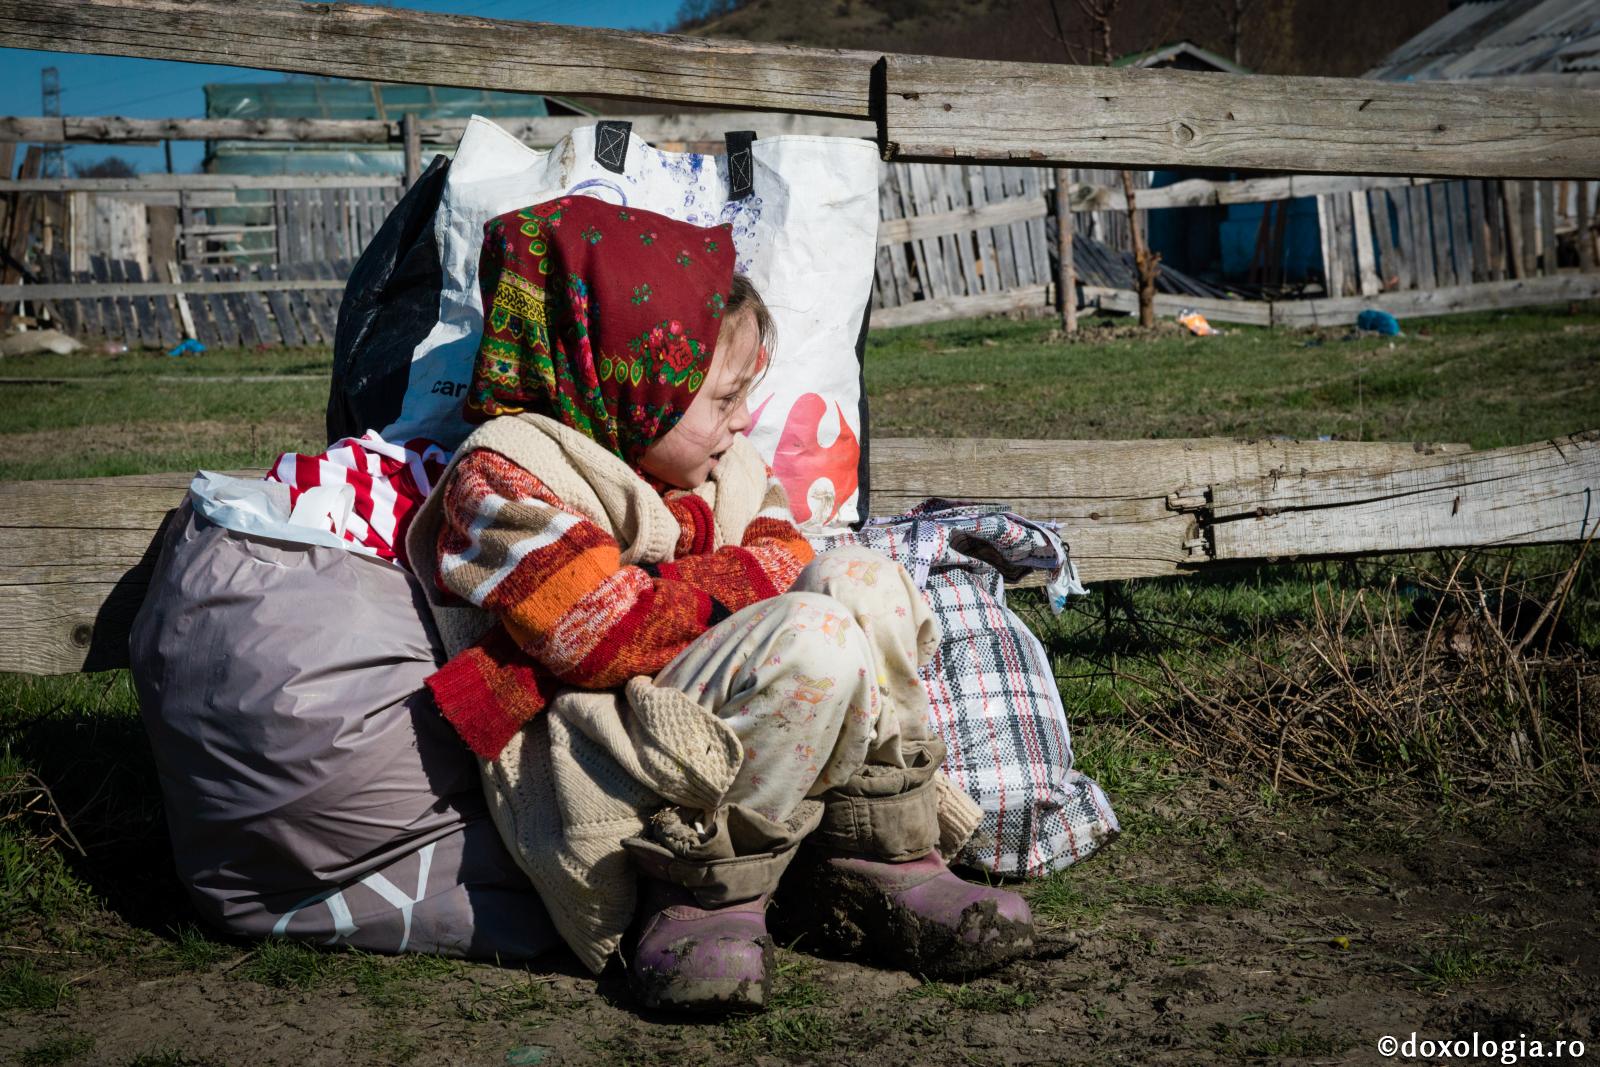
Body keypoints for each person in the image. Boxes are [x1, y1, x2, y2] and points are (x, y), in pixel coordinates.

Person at [405, 195, 1033, 1013]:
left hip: (730, 718)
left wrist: (700, 586)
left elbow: (790, 554)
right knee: (812, 634)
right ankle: (700, 893)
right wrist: (746, 589)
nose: (744, 423)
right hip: (620, 756)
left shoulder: (722, 468)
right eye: (722, 399)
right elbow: (600, 632)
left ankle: (877, 850)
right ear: (625, 374)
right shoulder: (507, 473)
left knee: (863, 580)